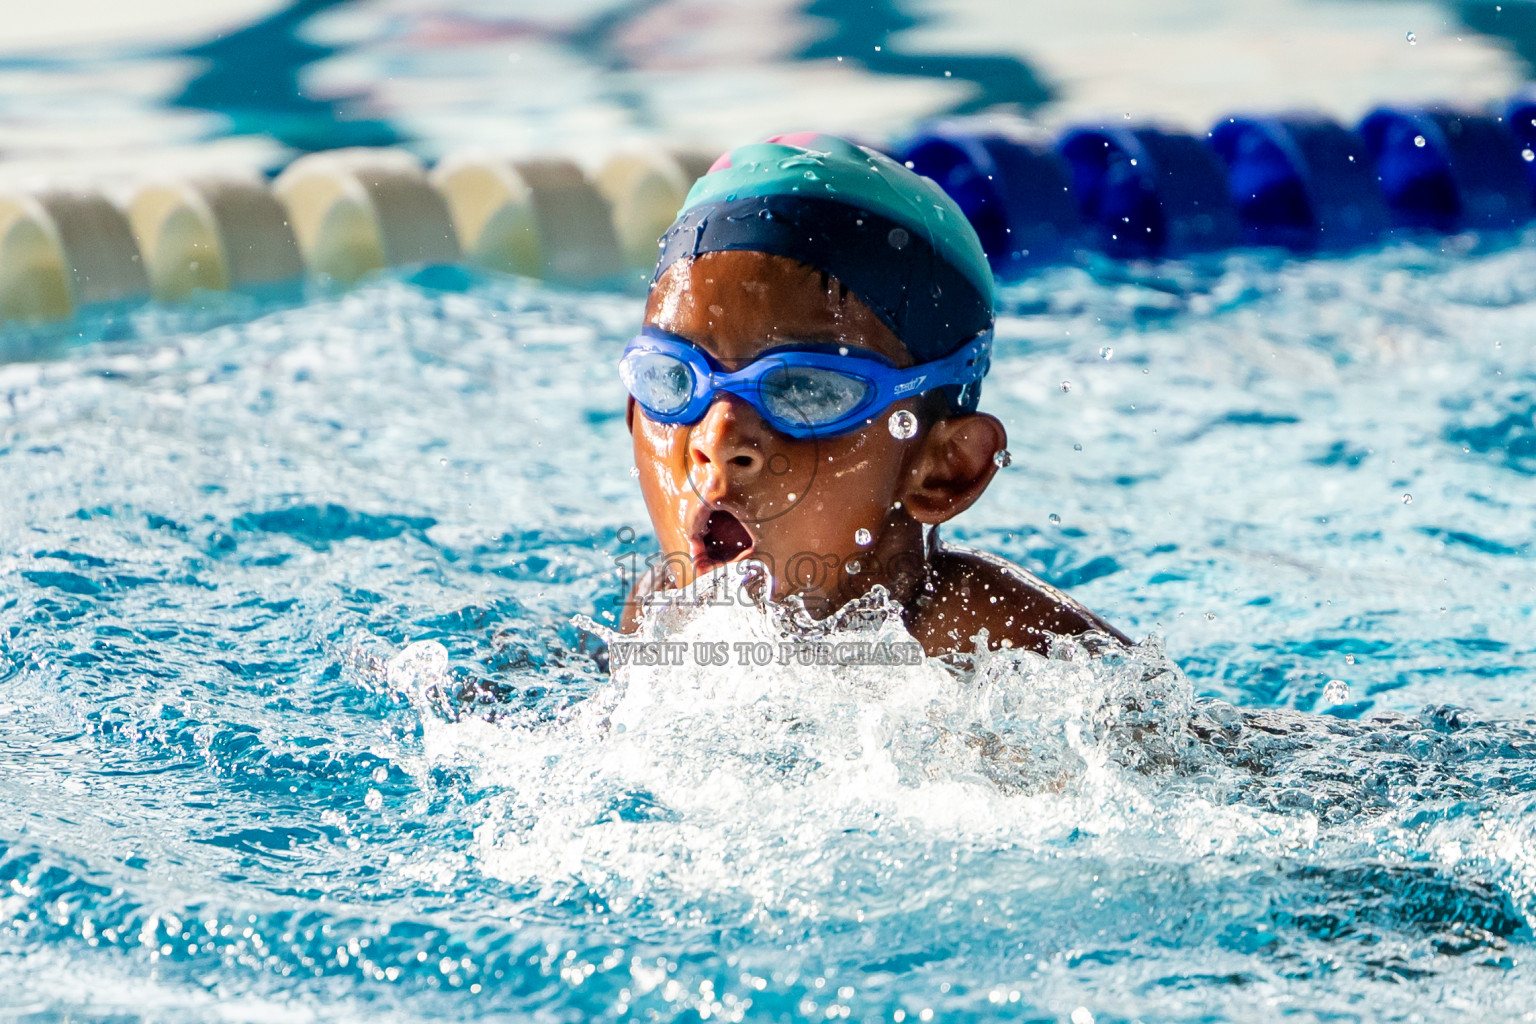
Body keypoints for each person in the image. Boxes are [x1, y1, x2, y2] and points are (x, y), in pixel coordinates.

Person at [617, 133, 1126, 656]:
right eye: (672, 379)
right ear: (635, 414)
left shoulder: (1015, 647)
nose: (718, 437)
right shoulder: (660, 611)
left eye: (807, 389)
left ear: (945, 468)